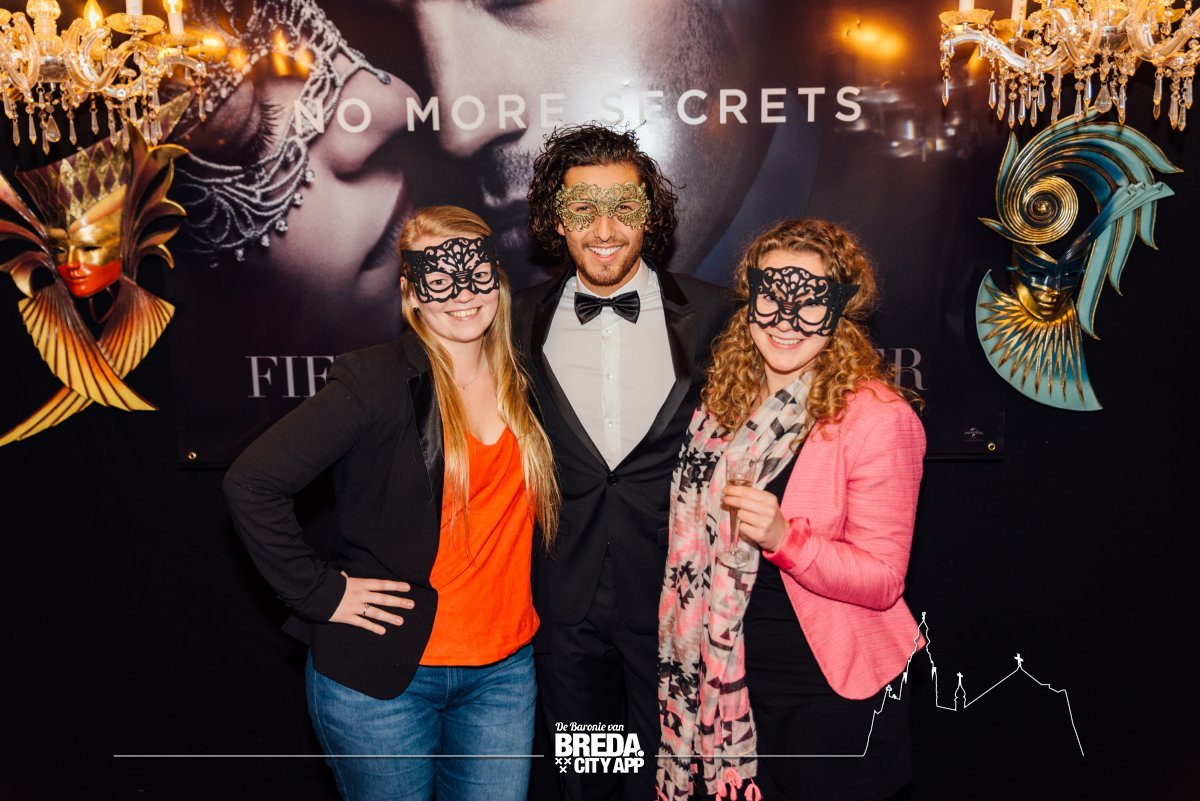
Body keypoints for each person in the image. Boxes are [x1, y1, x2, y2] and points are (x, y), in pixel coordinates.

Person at [223, 205, 559, 801]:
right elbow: (252, 482)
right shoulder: (373, 380)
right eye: (440, 279)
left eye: (477, 274)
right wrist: (319, 593)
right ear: (411, 292)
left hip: (504, 673)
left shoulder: (527, 376)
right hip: (384, 680)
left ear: (498, 279)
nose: (463, 294)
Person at [657, 218, 926, 801]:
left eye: (809, 303)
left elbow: (884, 579)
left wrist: (786, 538)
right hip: (722, 676)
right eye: (772, 297)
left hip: (823, 691)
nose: (786, 320)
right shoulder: (721, 403)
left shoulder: (878, 417)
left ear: (841, 310)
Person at [512, 123, 732, 801]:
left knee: (674, 779)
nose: (604, 229)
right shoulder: (516, 320)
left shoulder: (714, 312)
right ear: (556, 220)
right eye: (582, 209)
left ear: (650, 216)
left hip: (675, 597)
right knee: (589, 778)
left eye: (624, 208)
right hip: (566, 600)